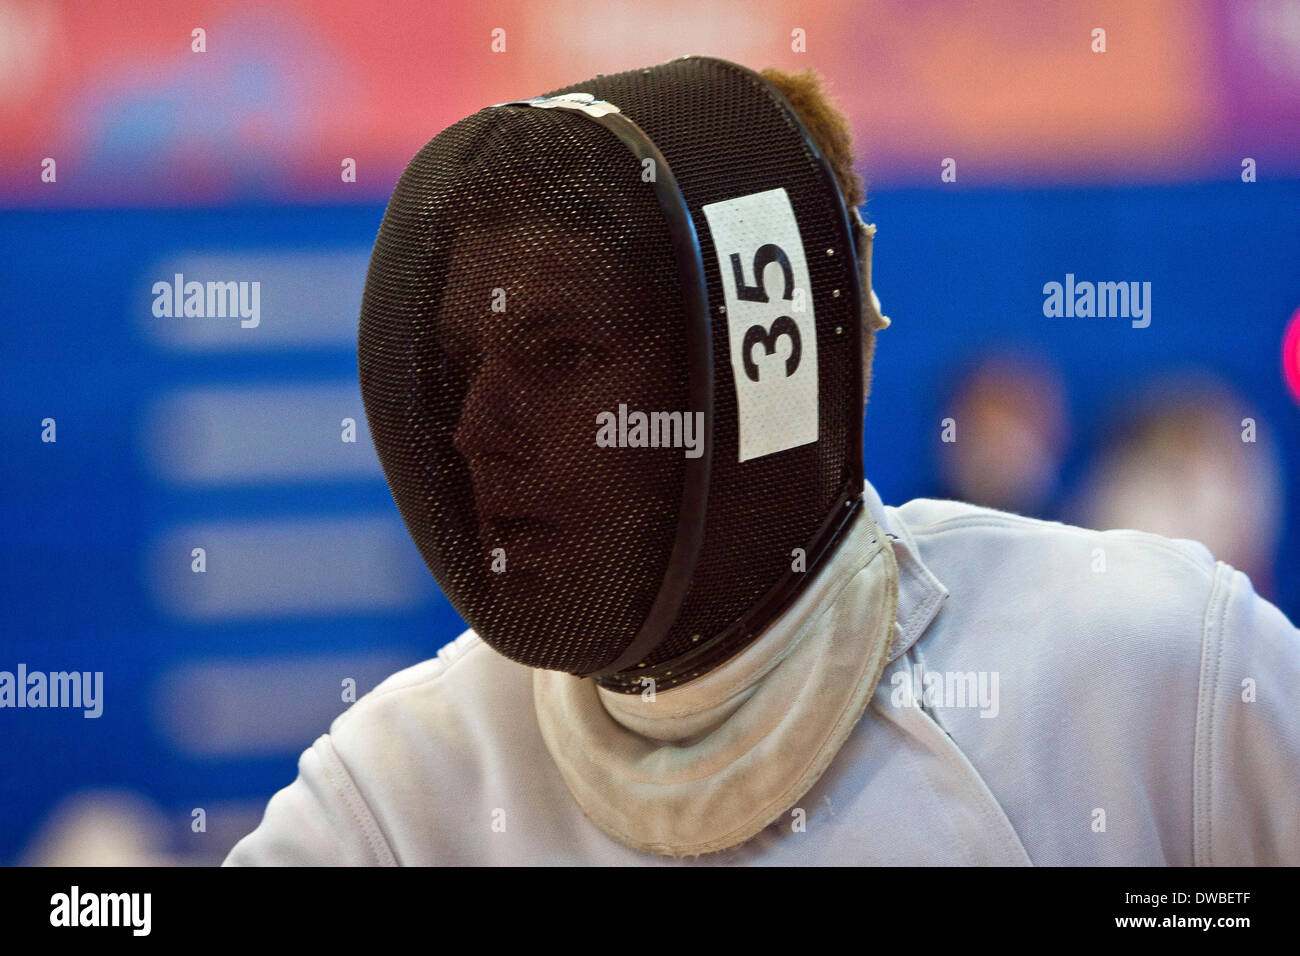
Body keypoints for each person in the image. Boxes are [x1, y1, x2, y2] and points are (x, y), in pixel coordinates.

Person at [224, 57, 1299, 866]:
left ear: (755, 371)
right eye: (460, 367)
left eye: (559, 354)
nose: (474, 429)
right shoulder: (399, 797)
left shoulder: (1157, 676)